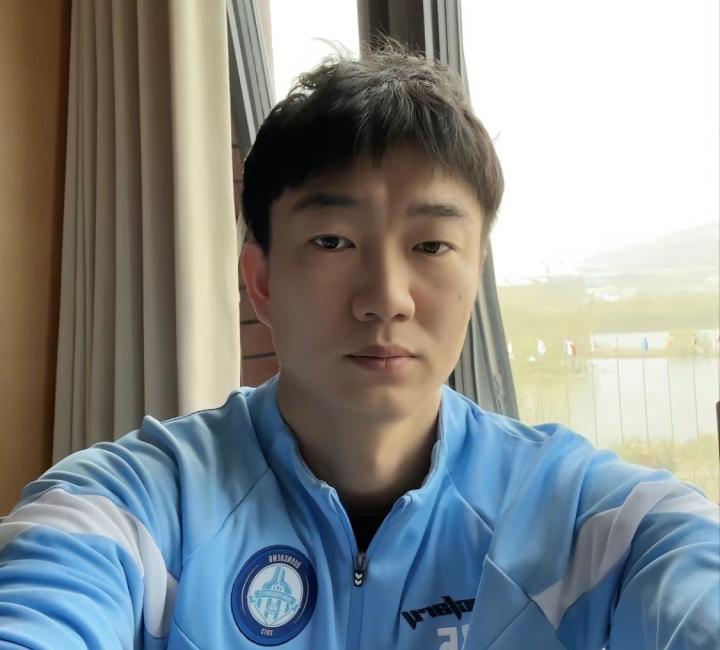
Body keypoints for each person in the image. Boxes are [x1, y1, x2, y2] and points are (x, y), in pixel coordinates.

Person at [1, 40, 718, 650]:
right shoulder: (141, 507)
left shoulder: (584, 520)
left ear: (476, 276)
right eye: (333, 241)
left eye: (431, 246)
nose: (386, 298)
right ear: (261, 281)